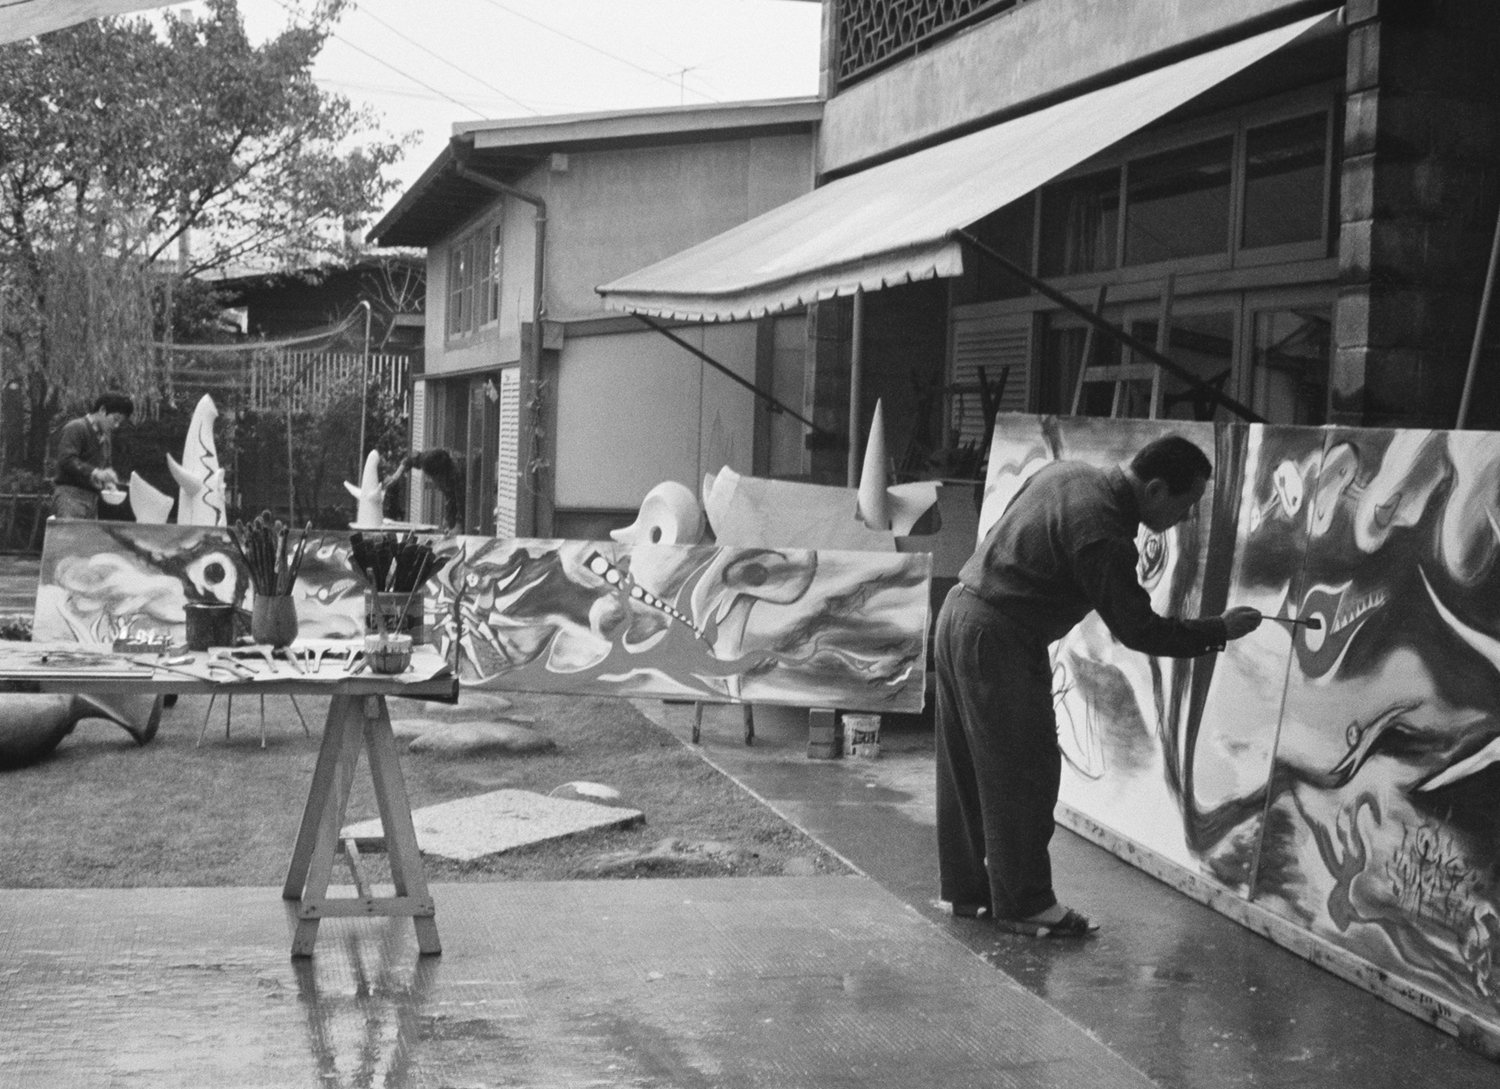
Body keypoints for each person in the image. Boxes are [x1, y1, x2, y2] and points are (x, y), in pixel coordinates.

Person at [935, 434, 1261, 938]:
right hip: (999, 636)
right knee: (1025, 772)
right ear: (1155, 489)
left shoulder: (1068, 473)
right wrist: (1217, 629)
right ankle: (1025, 905)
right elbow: (1139, 629)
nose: (1186, 518)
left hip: (961, 611)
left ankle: (968, 892)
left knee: (968, 767)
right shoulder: (1103, 530)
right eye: (1187, 504)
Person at [50, 392, 134, 520]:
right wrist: (96, 473)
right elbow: (67, 459)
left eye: (120, 422)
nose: (116, 426)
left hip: (92, 499)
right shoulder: (76, 428)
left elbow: (104, 466)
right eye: (115, 419)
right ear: (102, 410)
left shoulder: (105, 438)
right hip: (70, 496)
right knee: (71, 533)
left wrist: (108, 482)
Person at [382, 448, 465, 531]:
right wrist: (395, 476)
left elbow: (461, 503)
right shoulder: (425, 459)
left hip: (468, 483)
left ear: (442, 475)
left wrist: (458, 526)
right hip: (452, 485)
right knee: (447, 525)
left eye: (436, 479)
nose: (435, 484)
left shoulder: (457, 475)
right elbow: (410, 458)